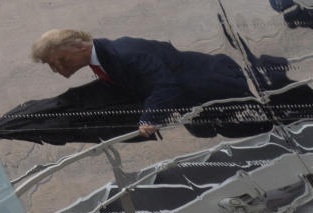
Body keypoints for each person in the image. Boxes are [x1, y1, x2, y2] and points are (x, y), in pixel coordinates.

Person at [30, 29, 268, 138]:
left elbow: (167, 86)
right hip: (197, 103)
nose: (57, 69)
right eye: (51, 66)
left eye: (60, 61)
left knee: (261, 130)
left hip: (216, 89)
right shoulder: (103, 59)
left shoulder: (126, 53)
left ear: (80, 47)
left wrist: (149, 119)